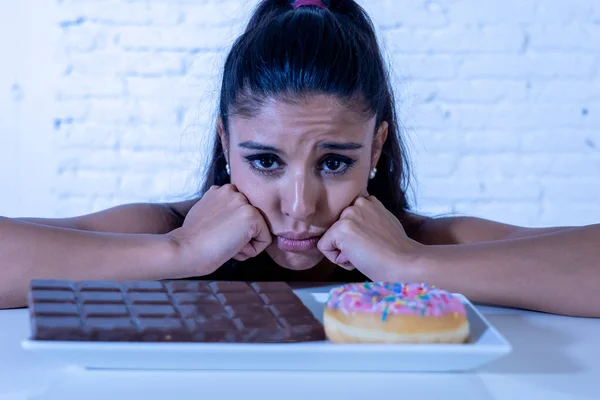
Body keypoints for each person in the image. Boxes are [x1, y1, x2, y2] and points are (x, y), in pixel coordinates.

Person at [1, 0, 598, 317]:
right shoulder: (163, 233)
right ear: (225, 145)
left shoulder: (424, 244)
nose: (299, 207)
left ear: (376, 148)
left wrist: (411, 267)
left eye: (334, 163)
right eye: (265, 161)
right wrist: (179, 253)